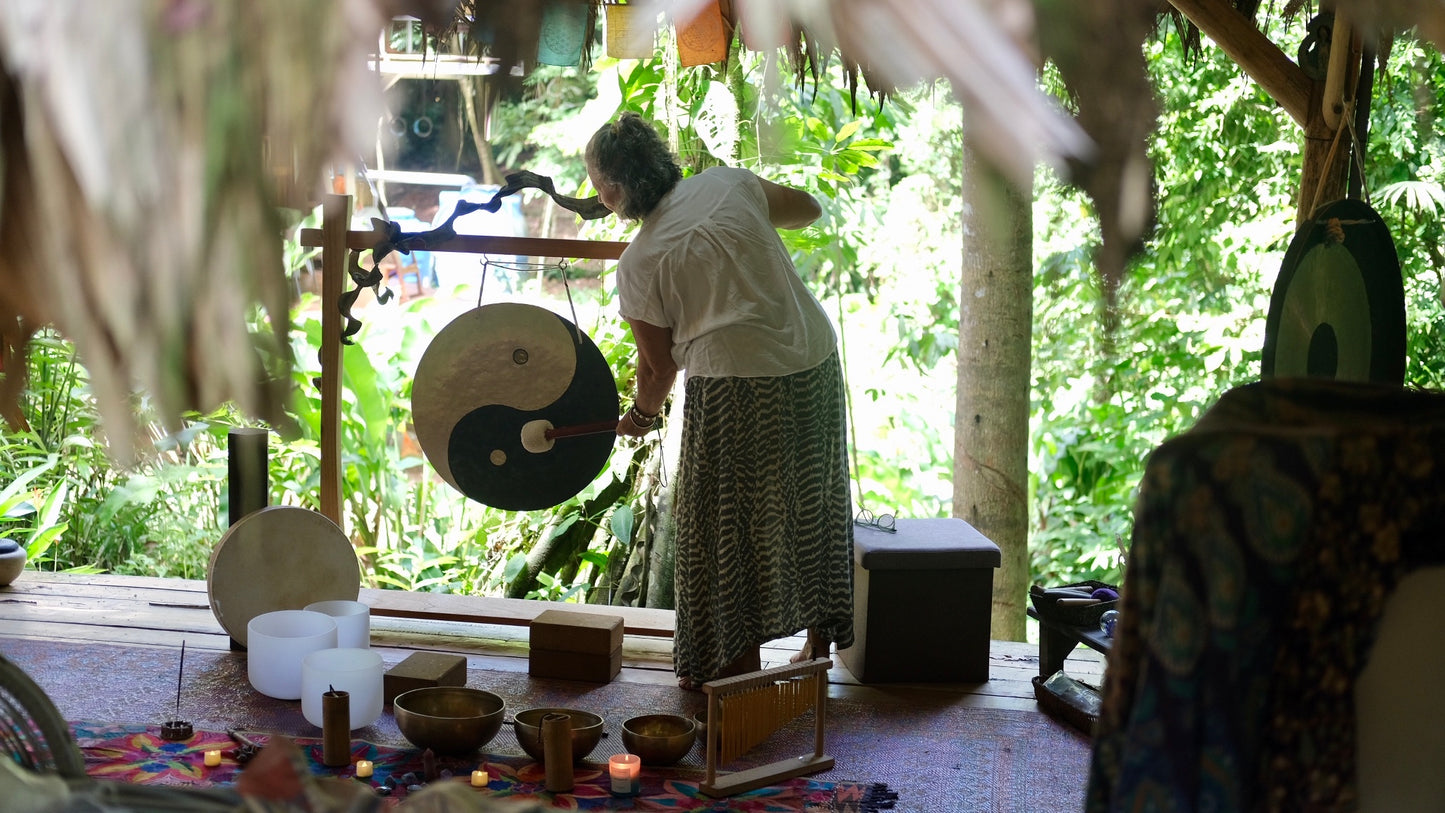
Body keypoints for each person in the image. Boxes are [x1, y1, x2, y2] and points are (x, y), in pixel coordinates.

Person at [585, 112, 855, 689]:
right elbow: (808, 207)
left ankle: (731, 666)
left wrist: (641, 414)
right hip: (811, 356)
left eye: (598, 183)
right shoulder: (728, 183)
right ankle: (815, 644)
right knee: (812, 500)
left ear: (613, 191)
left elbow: (659, 367)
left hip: (735, 386)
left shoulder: (639, 262)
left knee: (724, 526)